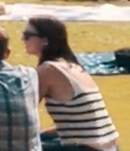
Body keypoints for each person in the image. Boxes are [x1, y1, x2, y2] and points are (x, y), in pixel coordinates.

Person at [21, 16, 120, 151]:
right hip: (109, 146)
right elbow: (82, 121)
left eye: (27, 35)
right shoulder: (73, 66)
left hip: (88, 148)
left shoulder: (48, 70)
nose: (23, 39)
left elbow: (24, 110)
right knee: (42, 137)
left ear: (45, 40)